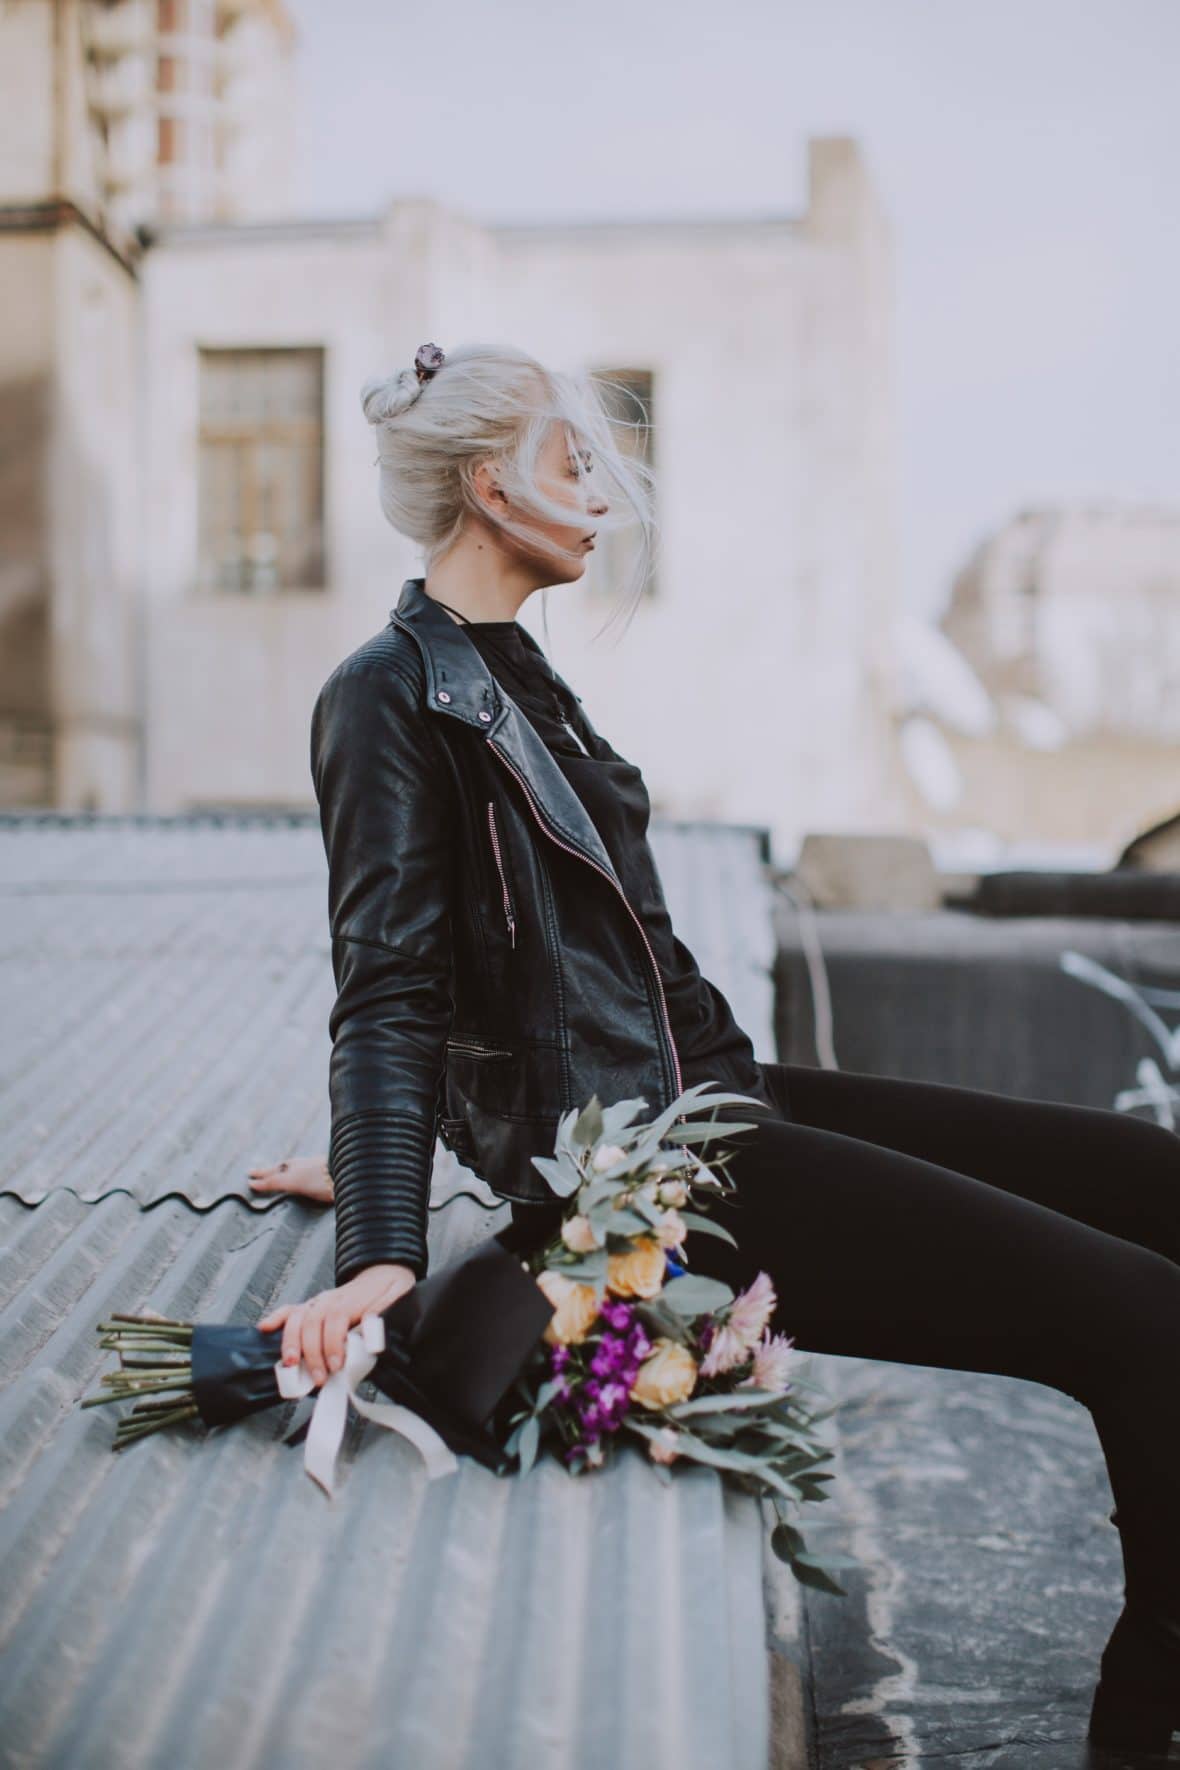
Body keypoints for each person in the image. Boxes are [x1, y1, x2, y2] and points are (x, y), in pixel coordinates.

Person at [253, 339, 1180, 1750]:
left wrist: (420, 1134)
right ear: (492, 485)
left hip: (703, 1102)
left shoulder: (514, 675)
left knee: (1150, 1169)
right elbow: (391, 989)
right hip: (649, 1183)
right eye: (576, 465)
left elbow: (562, 969)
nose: (602, 498)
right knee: (1147, 1320)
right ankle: (1152, 1714)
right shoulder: (387, 694)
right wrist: (383, 1230)